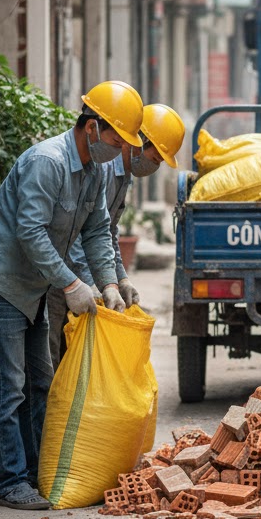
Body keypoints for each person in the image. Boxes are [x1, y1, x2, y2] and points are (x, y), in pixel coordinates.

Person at [0, 81, 145, 511]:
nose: (120, 149)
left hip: (34, 289)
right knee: (9, 388)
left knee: (40, 382)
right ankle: (12, 482)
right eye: (118, 139)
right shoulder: (48, 162)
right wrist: (71, 284)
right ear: (93, 127)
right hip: (0, 284)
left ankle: (37, 471)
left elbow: (98, 231)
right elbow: (30, 232)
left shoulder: (95, 171)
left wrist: (110, 284)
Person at [47, 101, 186, 367]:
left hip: (82, 278)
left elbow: (107, 231)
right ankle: (51, 408)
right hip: (63, 277)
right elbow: (78, 231)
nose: (154, 167)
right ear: (136, 143)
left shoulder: (124, 176)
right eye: (155, 158)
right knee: (54, 358)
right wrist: (87, 282)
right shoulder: (105, 168)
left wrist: (119, 279)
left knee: (77, 360)